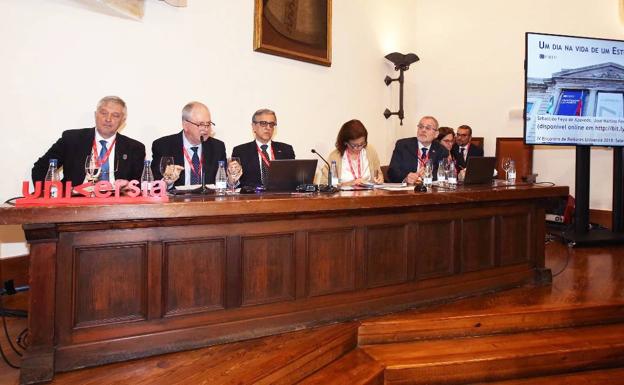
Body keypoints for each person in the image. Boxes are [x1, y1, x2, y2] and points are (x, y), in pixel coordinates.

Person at [32, 96, 145, 186]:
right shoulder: (71, 139)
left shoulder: (135, 148)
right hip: (76, 202)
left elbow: (140, 183)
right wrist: (54, 194)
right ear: (95, 115)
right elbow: (41, 168)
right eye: (104, 113)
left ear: (122, 121)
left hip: (116, 205)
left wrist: (127, 186)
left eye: (115, 115)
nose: (108, 119)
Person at [151, 101, 227, 187]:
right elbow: (154, 185)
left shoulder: (217, 147)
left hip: (207, 200)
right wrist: (167, 182)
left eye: (208, 124)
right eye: (201, 124)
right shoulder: (163, 146)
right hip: (177, 200)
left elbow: (223, 183)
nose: (206, 129)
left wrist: (231, 180)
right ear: (185, 125)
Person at [232, 108, 295, 187]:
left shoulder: (286, 150)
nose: (268, 127)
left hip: (279, 196)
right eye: (263, 123)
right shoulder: (240, 151)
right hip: (252, 198)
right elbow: (234, 182)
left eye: (271, 124)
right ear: (253, 126)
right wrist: (232, 180)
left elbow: (293, 179)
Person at [318, 119, 383, 186]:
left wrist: (380, 179)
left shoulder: (370, 151)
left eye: (362, 144)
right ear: (345, 142)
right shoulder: (335, 156)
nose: (359, 148)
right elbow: (324, 184)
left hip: (369, 195)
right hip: (345, 196)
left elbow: (378, 174)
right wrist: (349, 184)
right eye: (354, 145)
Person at [387, 116, 449, 184]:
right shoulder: (403, 145)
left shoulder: (441, 150)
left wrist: (428, 175)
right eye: (420, 127)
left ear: (436, 134)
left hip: (430, 191)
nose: (423, 130)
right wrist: (405, 178)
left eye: (428, 128)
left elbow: (444, 173)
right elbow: (392, 171)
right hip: (406, 190)